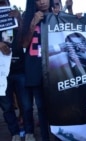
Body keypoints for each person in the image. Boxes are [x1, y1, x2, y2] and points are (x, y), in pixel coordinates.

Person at [21, 0, 54, 141]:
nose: (42, 2)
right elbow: (23, 44)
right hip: (35, 69)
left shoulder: (57, 16)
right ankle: (45, 137)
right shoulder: (27, 18)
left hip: (55, 69)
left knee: (57, 105)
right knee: (40, 107)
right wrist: (33, 23)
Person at [0, 0, 25, 141]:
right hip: (1, 74)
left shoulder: (13, 21)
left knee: (25, 103)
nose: (1, 6)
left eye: (3, 3)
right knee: (7, 106)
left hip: (18, 69)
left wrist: (19, 19)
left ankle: (28, 131)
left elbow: (25, 39)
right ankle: (14, 133)